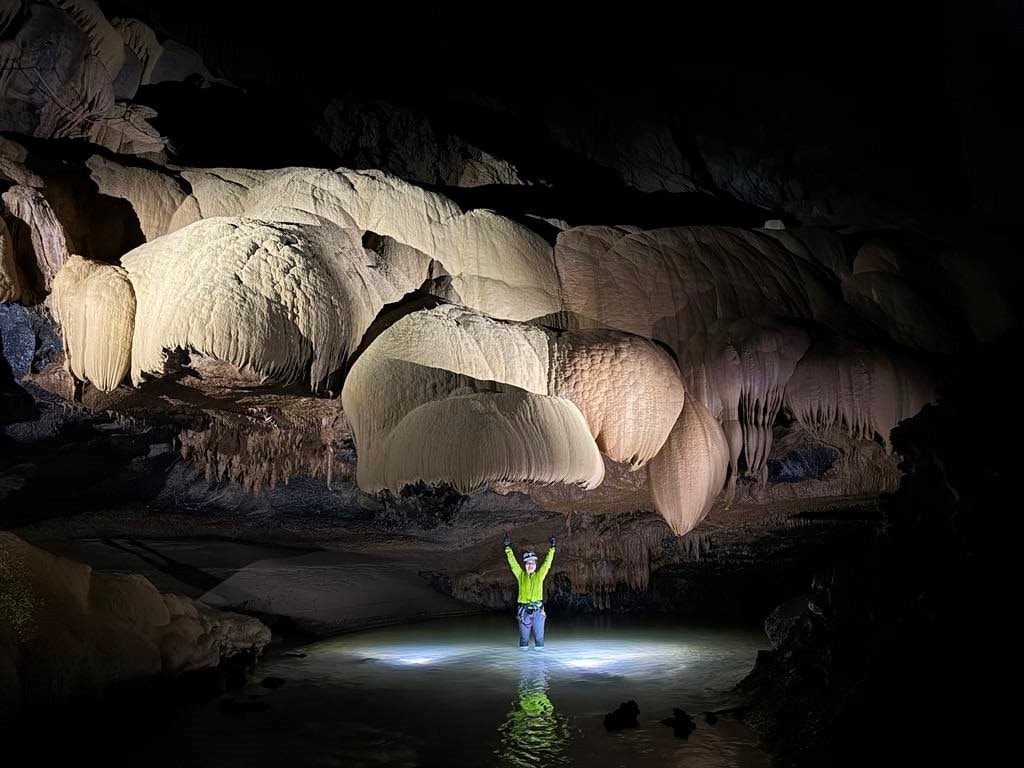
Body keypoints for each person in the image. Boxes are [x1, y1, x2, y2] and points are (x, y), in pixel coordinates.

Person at [503, 532, 556, 649]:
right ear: (525, 565)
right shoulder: (520, 575)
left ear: (536, 565)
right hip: (524, 611)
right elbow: (513, 563)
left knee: (539, 639)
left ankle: (539, 664)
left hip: (538, 611)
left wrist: (552, 548)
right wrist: (508, 548)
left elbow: (547, 564)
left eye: (532, 563)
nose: (530, 565)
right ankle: (524, 663)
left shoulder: (539, 576)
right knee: (523, 639)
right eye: (528, 563)